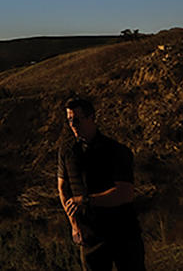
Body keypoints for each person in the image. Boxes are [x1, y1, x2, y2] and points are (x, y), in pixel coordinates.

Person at [57, 97, 146, 271]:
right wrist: (75, 225)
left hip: (123, 232)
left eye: (76, 119)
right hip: (90, 236)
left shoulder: (116, 151)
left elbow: (125, 193)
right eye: (69, 120)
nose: (73, 125)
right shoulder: (67, 153)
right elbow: (62, 189)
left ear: (91, 117)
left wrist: (87, 201)